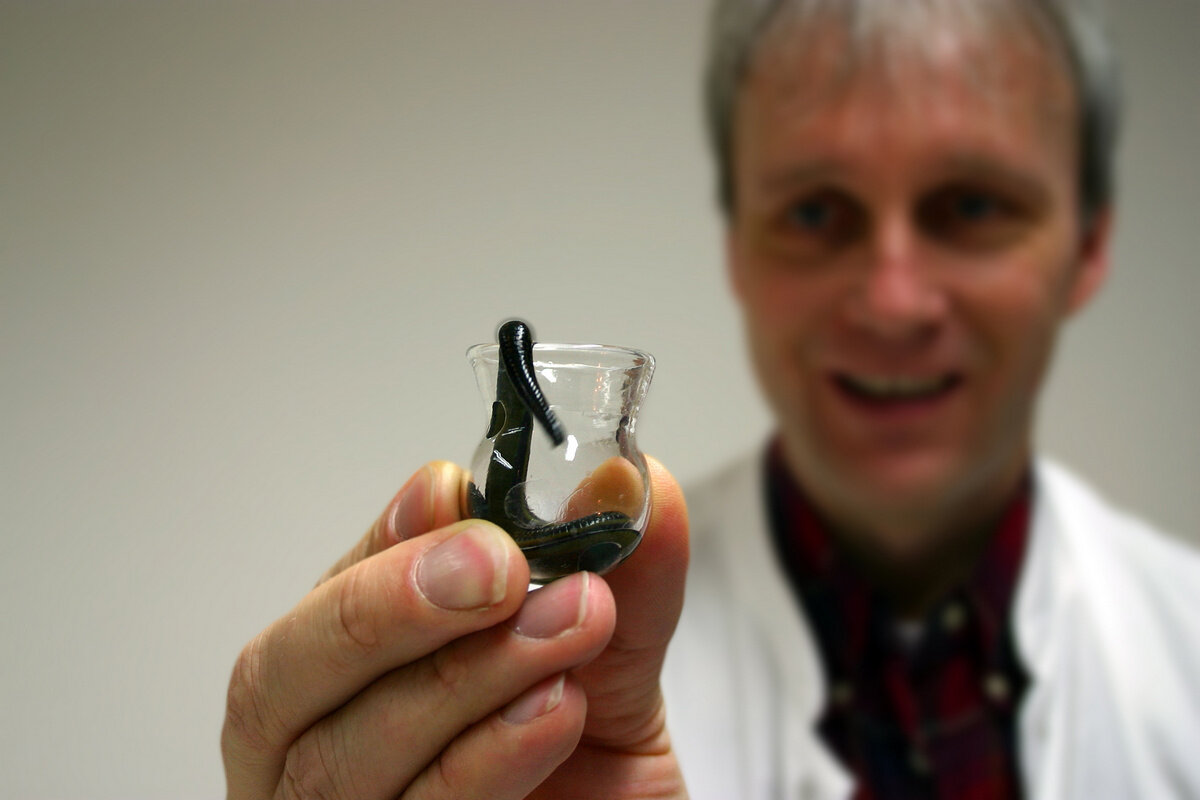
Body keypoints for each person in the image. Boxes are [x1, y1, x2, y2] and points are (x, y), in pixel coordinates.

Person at [221, 1, 1200, 798]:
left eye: (973, 207)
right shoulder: (537, 677)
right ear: (737, 247)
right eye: (816, 211)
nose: (893, 301)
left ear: (1089, 246)